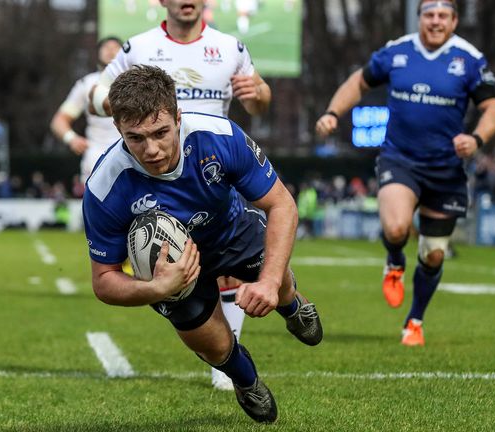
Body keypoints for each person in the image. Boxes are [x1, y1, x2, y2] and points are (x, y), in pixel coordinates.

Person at [83, 65, 322, 423]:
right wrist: (156, 287)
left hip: (231, 231)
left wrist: (270, 283)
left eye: (161, 132)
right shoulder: (104, 187)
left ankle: (291, 308)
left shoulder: (220, 136)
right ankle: (245, 380)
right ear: (118, 129)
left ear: (178, 118)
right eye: (135, 138)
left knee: (279, 279)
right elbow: (103, 280)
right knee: (214, 344)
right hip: (170, 270)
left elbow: (281, 204)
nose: (151, 149)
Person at [88, 0, 272, 390]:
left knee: (228, 262)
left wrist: (257, 92)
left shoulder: (229, 47)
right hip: (150, 175)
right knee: (175, 265)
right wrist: (117, 107)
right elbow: (97, 93)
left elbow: (259, 103)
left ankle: (233, 352)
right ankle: (227, 357)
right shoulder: (136, 48)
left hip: (211, 164)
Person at [315, 0, 495, 346]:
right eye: (429, 15)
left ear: (454, 20)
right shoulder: (396, 52)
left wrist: (476, 139)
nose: (435, 21)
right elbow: (358, 82)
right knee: (397, 227)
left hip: (445, 169)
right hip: (400, 160)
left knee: (433, 253)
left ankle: (414, 320)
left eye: (443, 16)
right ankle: (394, 260)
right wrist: (332, 112)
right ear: (420, 18)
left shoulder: (469, 60)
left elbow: (494, 108)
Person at [51, 37, 123, 183]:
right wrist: (71, 138)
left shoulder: (133, 82)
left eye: (115, 47)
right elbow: (59, 120)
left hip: (130, 152)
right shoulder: (86, 83)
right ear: (97, 53)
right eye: (106, 47)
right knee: (96, 204)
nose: (110, 50)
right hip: (96, 154)